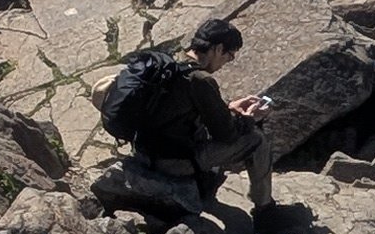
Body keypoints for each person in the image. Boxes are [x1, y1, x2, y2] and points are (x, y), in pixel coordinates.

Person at [103, 15, 282, 221]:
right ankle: (266, 212)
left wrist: (229, 108)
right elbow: (227, 135)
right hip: (174, 162)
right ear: (218, 49)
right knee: (256, 139)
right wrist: (250, 119)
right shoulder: (200, 79)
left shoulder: (172, 62)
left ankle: (206, 182)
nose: (227, 62)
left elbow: (180, 109)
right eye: (230, 56)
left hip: (146, 151)